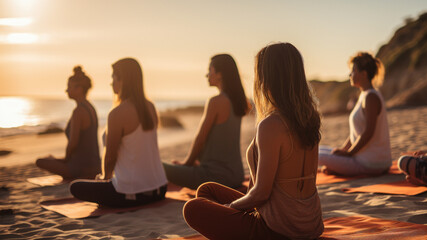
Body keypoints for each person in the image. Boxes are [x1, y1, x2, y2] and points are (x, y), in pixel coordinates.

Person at [183, 43, 324, 239]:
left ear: (268, 77)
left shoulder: (272, 124)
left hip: (278, 230)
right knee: (207, 189)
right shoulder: (309, 117)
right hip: (309, 223)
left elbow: (261, 194)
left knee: (193, 208)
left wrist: (230, 208)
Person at [69, 58, 167, 208]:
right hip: (159, 189)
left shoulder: (118, 113)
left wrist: (104, 178)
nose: (111, 82)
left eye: (113, 77)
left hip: (132, 193)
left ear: (123, 81)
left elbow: (110, 157)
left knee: (75, 187)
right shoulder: (150, 107)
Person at [163, 54, 251, 190]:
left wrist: (186, 164)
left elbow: (200, 139)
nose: (207, 75)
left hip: (214, 177)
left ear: (220, 74)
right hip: (236, 175)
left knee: (158, 166)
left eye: (210, 70)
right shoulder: (239, 101)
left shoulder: (216, 101)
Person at [318, 52, 391, 176]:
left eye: (353, 71)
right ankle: (336, 169)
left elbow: (369, 132)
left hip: (372, 163)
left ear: (364, 74)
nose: (350, 75)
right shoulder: (364, 95)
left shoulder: (371, 97)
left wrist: (349, 154)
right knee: (318, 149)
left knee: (317, 156)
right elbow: (356, 133)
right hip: (363, 158)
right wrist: (343, 150)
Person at [36, 66, 100, 179]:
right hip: (95, 166)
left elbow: (73, 143)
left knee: (40, 161)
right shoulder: (90, 108)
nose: (66, 90)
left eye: (69, 87)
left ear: (79, 89)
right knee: (52, 159)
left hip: (81, 169)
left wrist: (65, 159)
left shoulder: (78, 111)